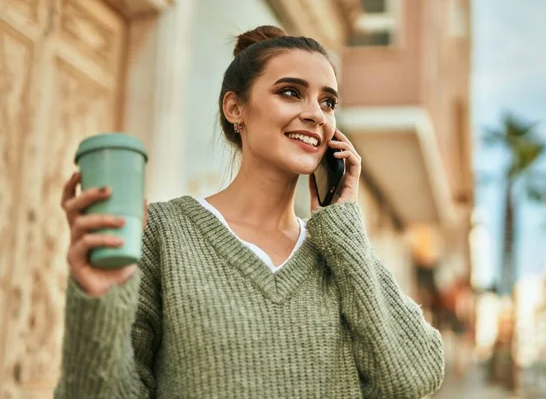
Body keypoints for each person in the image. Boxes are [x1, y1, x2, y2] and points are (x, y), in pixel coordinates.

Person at [55, 25, 444, 398]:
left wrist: (344, 228)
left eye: (328, 102)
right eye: (291, 92)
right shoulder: (162, 233)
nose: (316, 114)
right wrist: (98, 299)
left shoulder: (340, 253)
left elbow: (413, 376)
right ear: (234, 108)